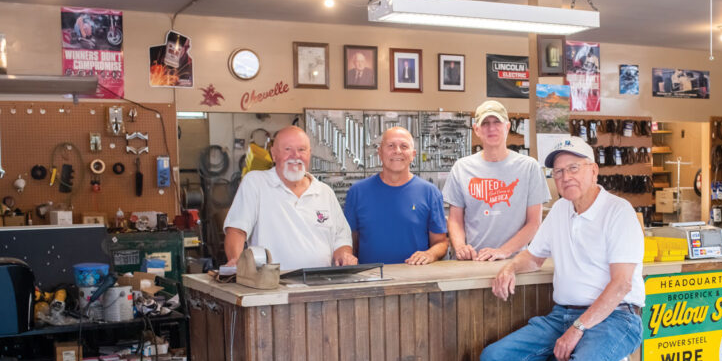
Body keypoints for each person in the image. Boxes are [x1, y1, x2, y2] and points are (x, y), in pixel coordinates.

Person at [480, 136, 645, 361]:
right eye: (558, 171)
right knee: (496, 358)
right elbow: (534, 255)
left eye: (574, 167)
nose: (565, 176)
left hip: (617, 317)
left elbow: (620, 285)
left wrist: (579, 329)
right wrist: (510, 267)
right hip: (563, 315)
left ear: (593, 170)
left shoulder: (619, 212)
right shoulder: (559, 212)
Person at [223, 126, 357, 270]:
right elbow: (237, 230)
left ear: (309, 154)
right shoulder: (256, 183)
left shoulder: (325, 192)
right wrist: (235, 260)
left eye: (301, 150)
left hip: (320, 284)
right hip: (271, 285)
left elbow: (341, 239)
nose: (295, 156)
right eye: (287, 149)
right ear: (274, 154)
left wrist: (344, 255)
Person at [443, 100, 550, 261]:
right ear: (476, 130)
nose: (491, 128)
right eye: (485, 123)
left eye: (497, 122)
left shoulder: (529, 167)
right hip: (473, 262)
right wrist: (460, 247)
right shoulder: (461, 168)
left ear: (507, 127)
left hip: (514, 263)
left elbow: (534, 222)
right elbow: (455, 219)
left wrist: (503, 251)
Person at [343, 126, 448, 265]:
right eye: (391, 146)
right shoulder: (357, 192)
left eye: (404, 146)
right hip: (370, 280)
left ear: (413, 154)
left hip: (416, 281)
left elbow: (441, 243)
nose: (397, 151)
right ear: (379, 152)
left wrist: (430, 254)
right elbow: (349, 242)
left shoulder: (430, 193)